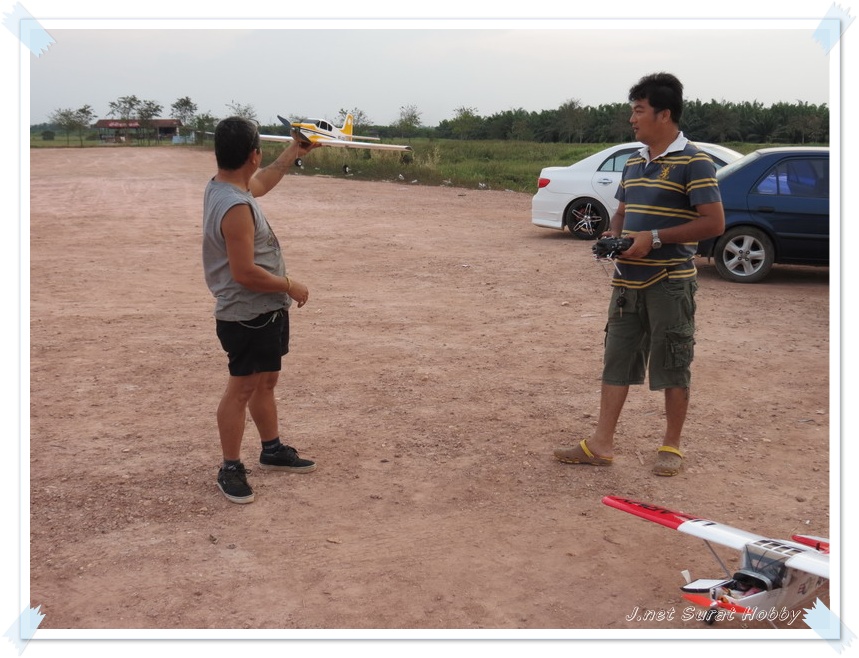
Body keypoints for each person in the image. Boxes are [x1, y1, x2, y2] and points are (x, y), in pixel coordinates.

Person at [553, 73, 725, 476]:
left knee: (673, 361)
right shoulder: (633, 161)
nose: (632, 119)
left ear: (664, 114)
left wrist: (655, 238)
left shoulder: (694, 162)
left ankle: (671, 446)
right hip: (626, 282)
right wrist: (612, 235)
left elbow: (714, 223)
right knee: (616, 359)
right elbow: (622, 212)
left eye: (639, 110)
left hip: (670, 282)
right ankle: (601, 444)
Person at [203, 116, 320, 503]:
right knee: (242, 388)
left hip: (265, 311)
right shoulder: (234, 206)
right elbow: (244, 273)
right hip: (247, 314)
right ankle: (230, 467)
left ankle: (271, 449)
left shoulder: (226, 185)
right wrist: (290, 284)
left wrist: (295, 150)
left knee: (266, 381)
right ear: (253, 155)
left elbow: (264, 183)